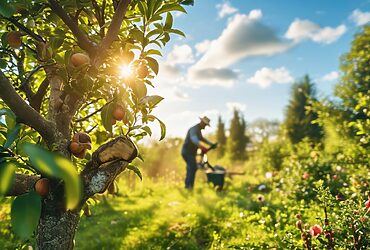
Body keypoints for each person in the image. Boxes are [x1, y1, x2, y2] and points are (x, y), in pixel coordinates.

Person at [181, 116, 217, 189]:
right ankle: (189, 187)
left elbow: (203, 139)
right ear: (202, 123)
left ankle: (188, 186)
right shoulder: (194, 129)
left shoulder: (198, 131)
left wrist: (211, 144)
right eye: (205, 125)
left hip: (191, 153)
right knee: (193, 167)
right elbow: (195, 140)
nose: (205, 127)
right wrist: (203, 147)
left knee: (190, 168)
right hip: (187, 152)